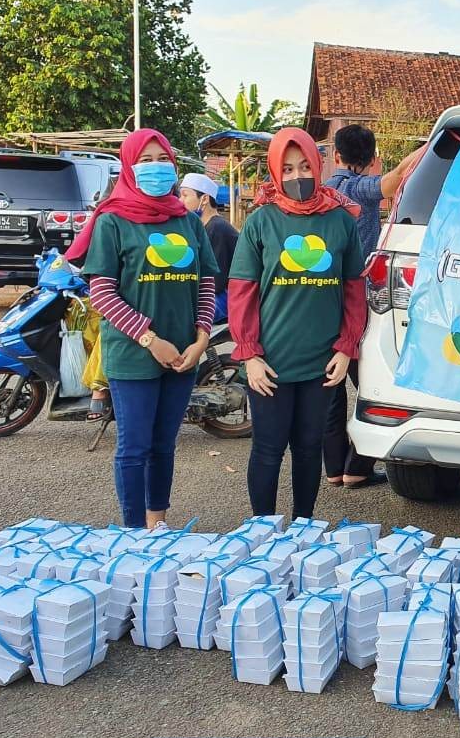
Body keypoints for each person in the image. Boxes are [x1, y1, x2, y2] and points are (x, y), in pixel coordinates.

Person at [68, 128, 219, 529]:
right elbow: (100, 290)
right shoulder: (113, 220)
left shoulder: (188, 221)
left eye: (162, 160)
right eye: (146, 160)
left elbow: (206, 282)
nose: (156, 167)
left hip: (183, 354)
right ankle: (132, 531)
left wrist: (202, 337)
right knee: (133, 447)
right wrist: (150, 339)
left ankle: (158, 522)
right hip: (135, 353)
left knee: (163, 445)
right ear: (130, 167)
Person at [228, 128, 366, 519]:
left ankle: (303, 526)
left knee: (308, 448)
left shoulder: (340, 221)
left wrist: (346, 347)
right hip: (270, 362)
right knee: (269, 448)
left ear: (318, 164)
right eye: (286, 169)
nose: (297, 176)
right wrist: (249, 354)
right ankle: (264, 532)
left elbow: (354, 290)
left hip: (321, 362)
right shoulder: (261, 223)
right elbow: (241, 294)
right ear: (275, 171)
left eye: (305, 166)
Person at [320, 124, 419, 488]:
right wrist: (429, 147)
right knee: (370, 384)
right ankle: (358, 467)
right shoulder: (355, 188)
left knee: (330, 388)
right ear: (372, 158)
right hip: (360, 304)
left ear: (337, 156)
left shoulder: (322, 190)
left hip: (325, 300)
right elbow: (394, 180)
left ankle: (334, 469)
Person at [179, 172, 239, 322]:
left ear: (204, 199)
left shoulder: (217, 228)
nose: (180, 201)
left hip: (225, 298)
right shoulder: (203, 227)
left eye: (185, 196)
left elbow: (215, 283)